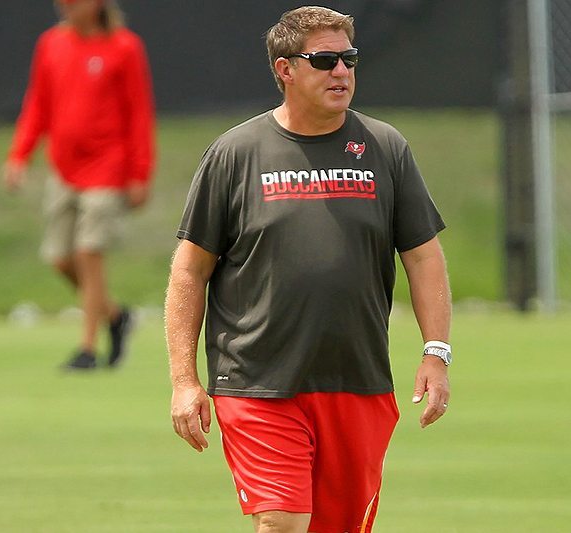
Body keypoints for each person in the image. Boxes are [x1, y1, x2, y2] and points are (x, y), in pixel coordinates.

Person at [165, 6, 451, 532]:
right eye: (324, 60)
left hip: (357, 378)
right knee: (282, 521)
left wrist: (436, 352)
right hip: (256, 381)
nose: (341, 72)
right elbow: (189, 271)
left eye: (348, 58)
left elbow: (423, 255)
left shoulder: (385, 149)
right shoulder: (236, 154)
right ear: (285, 70)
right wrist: (185, 380)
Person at [4, 0, 155, 370]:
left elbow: (138, 112)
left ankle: (87, 348)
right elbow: (38, 103)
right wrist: (19, 155)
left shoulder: (124, 46)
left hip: (108, 167)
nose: (66, 6)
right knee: (60, 258)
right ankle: (117, 317)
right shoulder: (51, 44)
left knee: (89, 253)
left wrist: (140, 173)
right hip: (64, 168)